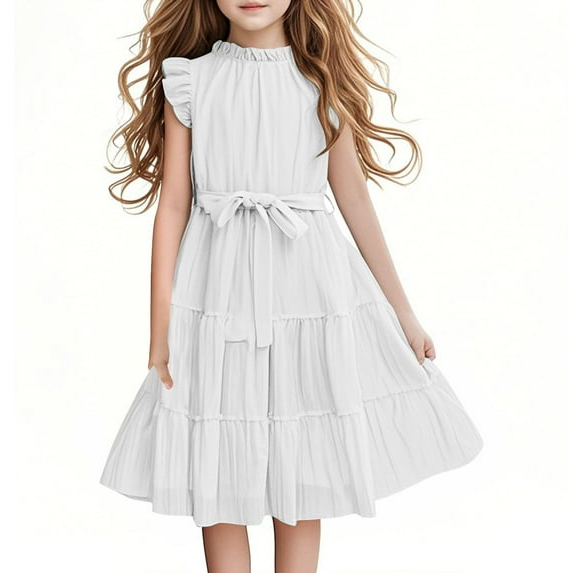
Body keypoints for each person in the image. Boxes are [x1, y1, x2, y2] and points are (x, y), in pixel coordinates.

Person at [99, 1, 484, 571]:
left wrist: (403, 313)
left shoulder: (320, 80)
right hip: (216, 291)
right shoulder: (189, 79)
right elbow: (174, 204)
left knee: (303, 452)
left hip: (309, 290)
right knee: (218, 449)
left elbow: (353, 199)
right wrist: (160, 328)